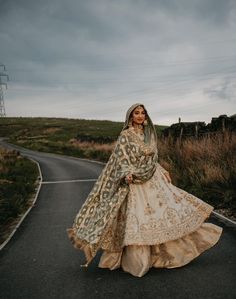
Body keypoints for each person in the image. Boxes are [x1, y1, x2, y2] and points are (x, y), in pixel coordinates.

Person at [67, 103, 223, 277]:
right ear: (130, 117)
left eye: (143, 113)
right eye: (136, 113)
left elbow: (152, 159)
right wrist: (126, 173)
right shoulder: (126, 135)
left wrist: (162, 170)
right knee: (140, 218)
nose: (140, 116)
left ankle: (164, 255)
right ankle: (138, 260)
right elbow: (120, 159)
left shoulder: (148, 134)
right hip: (134, 181)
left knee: (162, 213)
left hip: (153, 177)